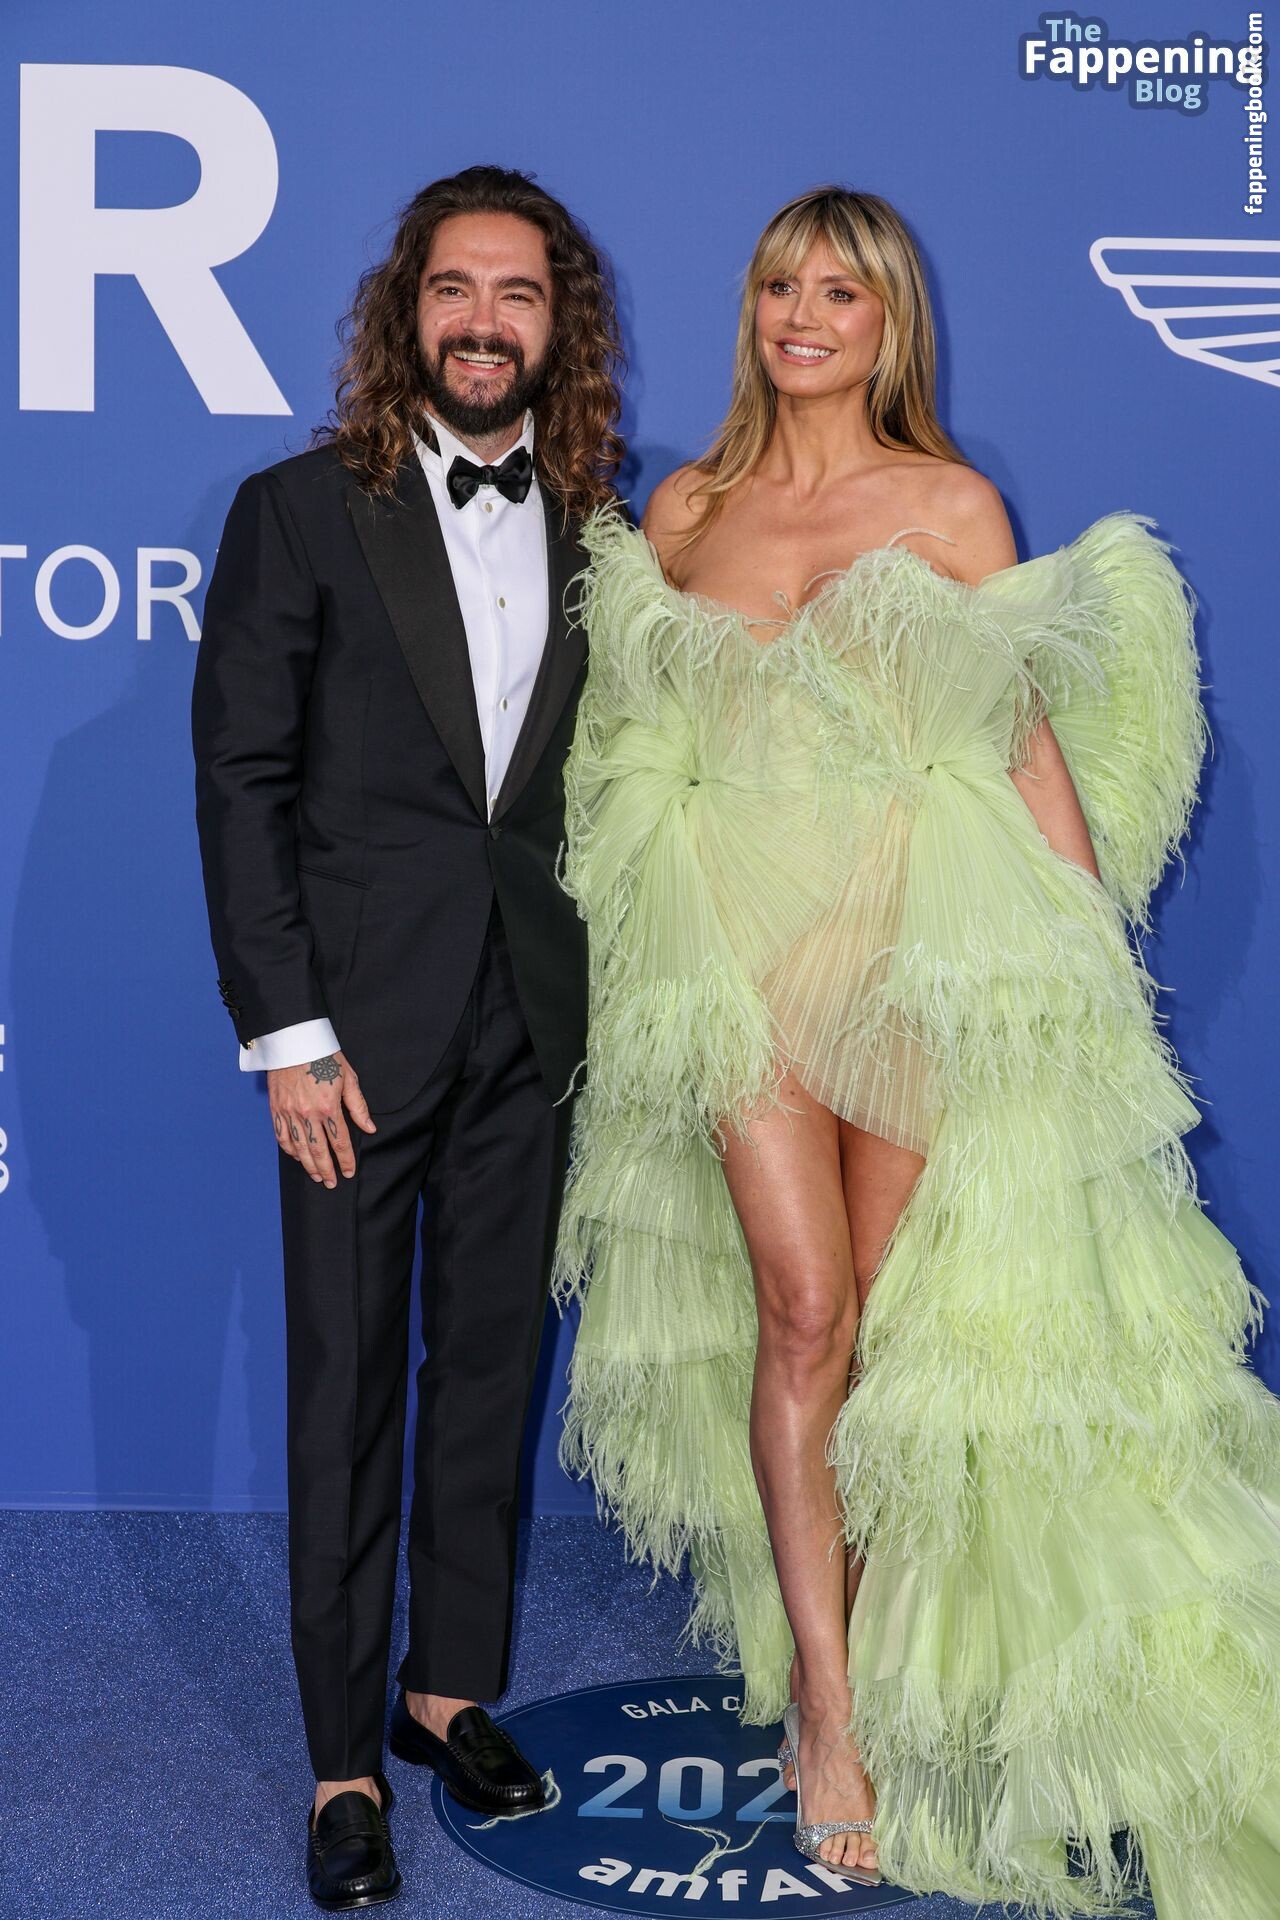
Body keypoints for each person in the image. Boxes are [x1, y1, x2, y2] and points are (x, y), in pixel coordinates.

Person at [553, 184, 1280, 1917]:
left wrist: (1082, 960)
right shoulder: (687, 506)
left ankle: (899, 1672)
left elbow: (1013, 739)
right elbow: (629, 745)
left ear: (891, 325)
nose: (803, 317)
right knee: (802, 1308)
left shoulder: (952, 504)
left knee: (892, 1333)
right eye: (779, 287)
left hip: (909, 955)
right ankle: (827, 1704)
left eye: (841, 294)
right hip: (734, 961)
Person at [192, 164, 622, 1910]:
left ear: (557, 325)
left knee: (489, 1372)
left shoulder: (606, 529)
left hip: (532, 1019)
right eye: (455, 289)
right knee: (348, 1391)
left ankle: (447, 1694)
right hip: (351, 1042)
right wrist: (288, 1034)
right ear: (406, 311)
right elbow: (242, 781)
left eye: (517, 293)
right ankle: (343, 1765)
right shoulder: (299, 513)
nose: (482, 323)